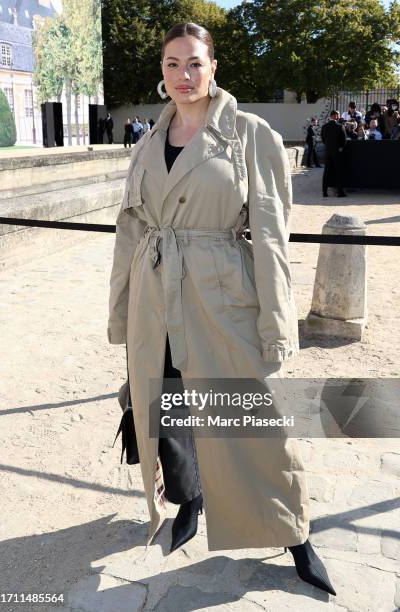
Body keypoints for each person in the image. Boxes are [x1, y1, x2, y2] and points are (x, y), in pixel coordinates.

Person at [107, 22, 336, 598]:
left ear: (213, 68)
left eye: (194, 64)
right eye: (171, 64)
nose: (183, 76)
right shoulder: (147, 142)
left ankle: (293, 531)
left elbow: (272, 236)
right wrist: (121, 308)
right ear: (161, 73)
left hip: (219, 291)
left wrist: (275, 321)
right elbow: (130, 230)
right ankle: (190, 500)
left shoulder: (249, 134)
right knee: (171, 407)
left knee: (246, 414)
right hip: (155, 293)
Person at [321, 110, 347, 197]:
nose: (339, 117)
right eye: (338, 115)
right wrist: (340, 147)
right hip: (337, 152)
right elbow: (344, 140)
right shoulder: (340, 126)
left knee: (326, 171)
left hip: (328, 151)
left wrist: (328, 146)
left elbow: (323, 139)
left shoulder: (324, 126)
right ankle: (339, 191)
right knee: (338, 171)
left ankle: (324, 192)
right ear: (335, 116)